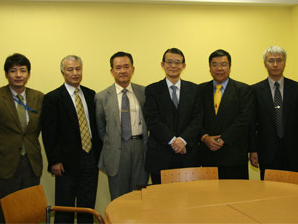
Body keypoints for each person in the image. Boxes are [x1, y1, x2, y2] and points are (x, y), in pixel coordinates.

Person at [0, 53, 44, 223]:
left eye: (23, 70)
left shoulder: (38, 97)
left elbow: (34, 131)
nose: (18, 75)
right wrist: (2, 147)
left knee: (30, 212)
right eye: (13, 71)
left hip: (31, 164)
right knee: (4, 213)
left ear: (28, 74)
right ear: (6, 74)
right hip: (4, 164)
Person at [41, 55, 101, 223]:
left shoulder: (90, 94)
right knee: (65, 208)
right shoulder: (53, 98)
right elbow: (49, 132)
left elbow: (95, 127)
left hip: (90, 158)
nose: (75, 73)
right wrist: (54, 160)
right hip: (65, 162)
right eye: (70, 69)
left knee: (87, 207)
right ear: (63, 72)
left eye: (78, 69)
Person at [144, 48, 202, 184]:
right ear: (162, 65)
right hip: (160, 155)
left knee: (189, 200)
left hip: (188, 155)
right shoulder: (152, 90)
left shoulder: (194, 89)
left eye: (177, 62)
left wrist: (183, 140)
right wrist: (173, 140)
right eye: (169, 62)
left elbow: (197, 119)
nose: (173, 66)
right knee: (161, 201)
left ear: (184, 66)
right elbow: (152, 119)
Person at [251, 46, 298, 179]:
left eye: (279, 60)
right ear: (265, 64)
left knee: (294, 192)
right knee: (269, 192)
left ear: (285, 62)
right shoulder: (254, 90)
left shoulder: (297, 88)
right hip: (266, 152)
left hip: (293, 151)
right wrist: (253, 150)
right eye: (271, 60)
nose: (275, 64)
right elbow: (252, 124)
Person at [95, 51, 148, 200]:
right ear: (112, 71)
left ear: (133, 69)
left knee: (140, 196)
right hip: (116, 151)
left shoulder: (144, 92)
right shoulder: (101, 97)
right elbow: (100, 127)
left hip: (140, 148)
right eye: (118, 67)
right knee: (119, 198)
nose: (123, 71)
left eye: (126, 66)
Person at [199, 49, 255, 179]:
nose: (219, 68)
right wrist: (205, 137)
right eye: (214, 64)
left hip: (234, 156)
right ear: (209, 68)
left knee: (236, 196)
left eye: (223, 64)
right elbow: (196, 118)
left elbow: (245, 119)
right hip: (208, 156)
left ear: (230, 67)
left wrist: (223, 139)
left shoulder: (244, 90)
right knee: (208, 197)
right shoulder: (200, 90)